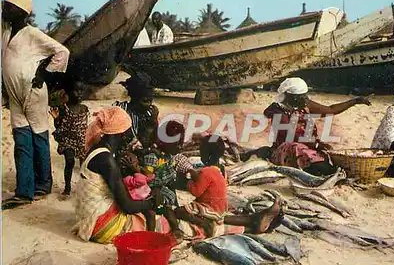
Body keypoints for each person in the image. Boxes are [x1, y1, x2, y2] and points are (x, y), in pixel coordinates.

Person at [73, 107, 282, 244]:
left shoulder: (99, 151)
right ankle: (246, 226)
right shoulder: (106, 160)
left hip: (94, 217)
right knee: (179, 225)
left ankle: (250, 220)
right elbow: (127, 206)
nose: (129, 136)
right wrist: (152, 203)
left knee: (173, 216)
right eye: (127, 131)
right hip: (103, 225)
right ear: (118, 133)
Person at [2, 0, 70, 209]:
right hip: (15, 95)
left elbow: (62, 52)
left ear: (22, 13)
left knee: (38, 137)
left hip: (33, 93)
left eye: (9, 7)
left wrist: (44, 74)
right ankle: (26, 190)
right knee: (22, 139)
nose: (4, 9)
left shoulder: (32, 34)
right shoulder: (5, 31)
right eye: (5, 5)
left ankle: (42, 184)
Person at [242, 77, 371, 175]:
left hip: (309, 146)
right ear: (288, 96)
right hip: (286, 150)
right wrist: (316, 145)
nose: (305, 98)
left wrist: (355, 101)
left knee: (324, 156)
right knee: (296, 148)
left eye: (305, 95)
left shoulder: (304, 104)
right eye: (301, 96)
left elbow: (330, 110)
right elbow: (291, 135)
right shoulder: (277, 111)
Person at [50, 79, 89, 199]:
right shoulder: (64, 108)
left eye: (82, 91)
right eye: (76, 91)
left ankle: (85, 188)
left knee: (84, 165)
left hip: (81, 140)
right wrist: (56, 119)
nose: (79, 94)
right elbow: (59, 125)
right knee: (70, 161)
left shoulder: (84, 108)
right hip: (67, 140)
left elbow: (84, 127)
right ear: (68, 93)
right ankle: (67, 188)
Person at [113, 72, 159, 152]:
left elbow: (150, 143)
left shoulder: (150, 114)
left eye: (150, 101)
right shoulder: (120, 110)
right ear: (134, 98)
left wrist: (153, 122)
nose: (149, 104)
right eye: (145, 100)